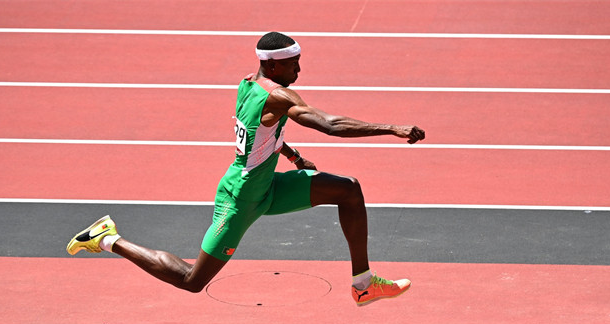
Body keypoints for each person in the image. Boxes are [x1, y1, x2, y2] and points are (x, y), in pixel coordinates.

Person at [67, 31, 425, 306]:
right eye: (294, 64)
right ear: (273, 66)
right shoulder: (279, 96)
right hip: (240, 198)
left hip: (266, 186)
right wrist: (392, 128)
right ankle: (108, 238)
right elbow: (329, 124)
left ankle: (363, 284)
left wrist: (294, 158)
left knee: (348, 189)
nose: (299, 70)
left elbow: (260, 134)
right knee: (192, 280)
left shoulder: (247, 84)